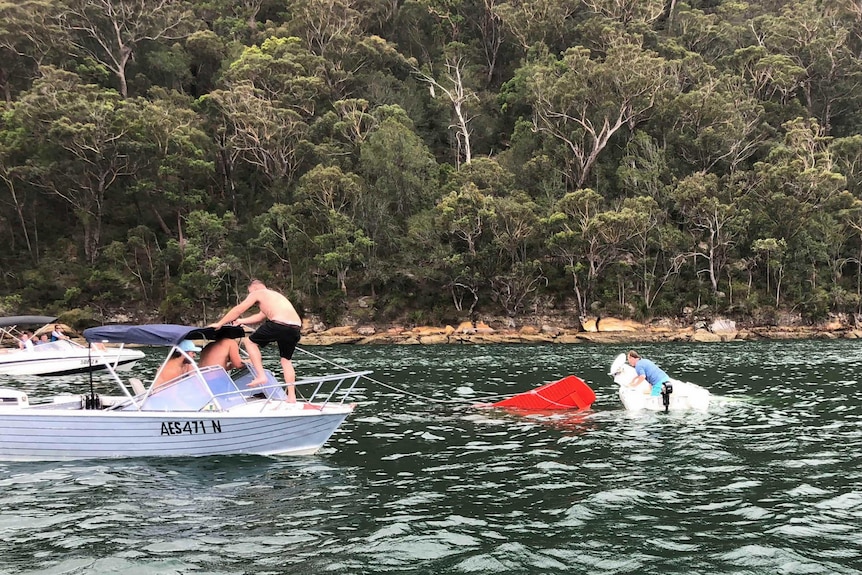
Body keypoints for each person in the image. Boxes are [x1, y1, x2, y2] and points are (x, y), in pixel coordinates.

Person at [210, 279, 302, 402]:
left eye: (249, 292)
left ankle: (261, 376)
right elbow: (260, 316)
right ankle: (291, 397)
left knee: (250, 342)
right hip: (295, 327)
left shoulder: (257, 293)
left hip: (279, 324)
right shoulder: (274, 296)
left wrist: (220, 323)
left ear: (254, 288)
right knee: (286, 360)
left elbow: (239, 309)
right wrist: (241, 321)